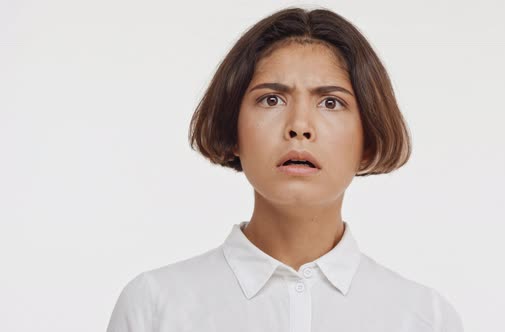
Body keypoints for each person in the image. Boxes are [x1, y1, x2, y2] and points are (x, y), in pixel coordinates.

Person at [106, 6, 464, 332]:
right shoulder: (155, 307)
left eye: (330, 102)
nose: (299, 126)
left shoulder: (424, 318)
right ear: (233, 130)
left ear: (367, 140)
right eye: (271, 99)